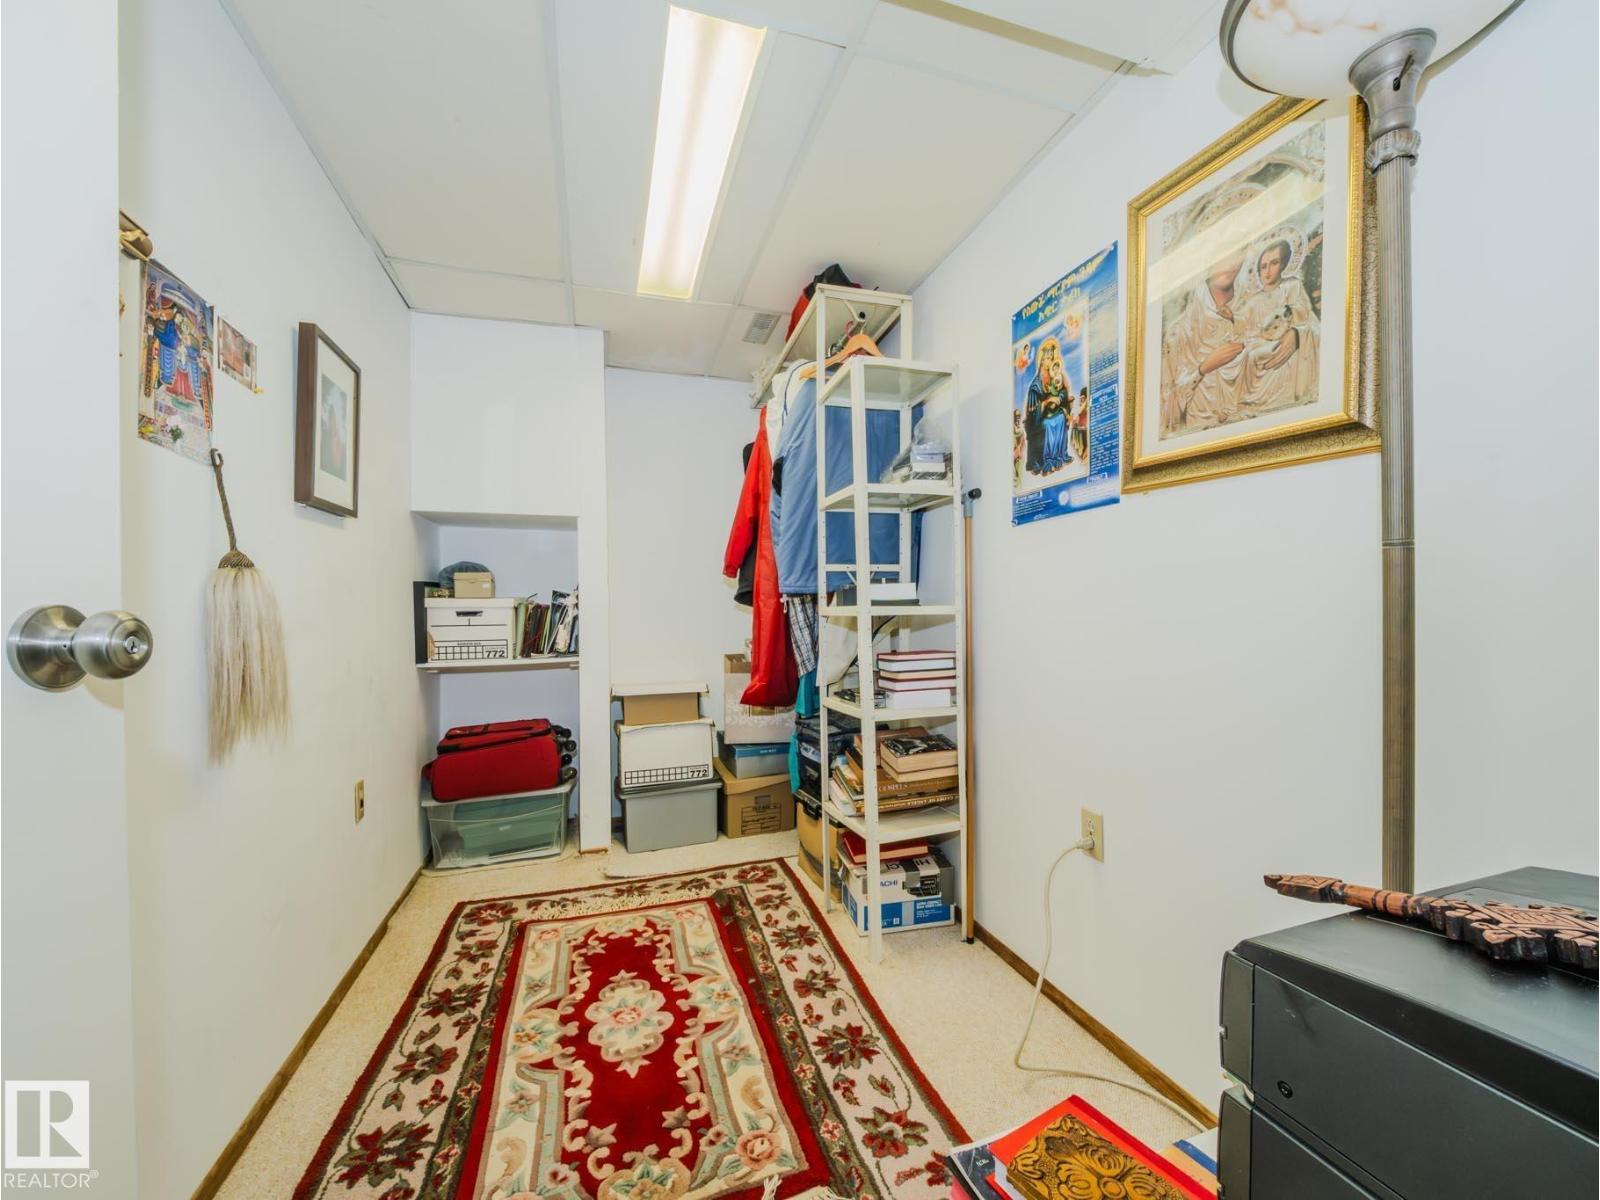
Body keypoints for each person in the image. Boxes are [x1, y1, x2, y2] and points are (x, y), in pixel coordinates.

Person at [1159, 250, 1251, 435]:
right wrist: (1203, 368)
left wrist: (1297, 335)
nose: (1232, 264)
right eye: (1223, 253)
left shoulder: (1252, 312)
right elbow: (1166, 413)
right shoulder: (1179, 332)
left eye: (1238, 253)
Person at [1237, 237, 1319, 413]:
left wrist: (1291, 320)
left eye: (1274, 263)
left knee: (1276, 352)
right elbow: (1243, 328)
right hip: (1257, 342)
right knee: (1249, 355)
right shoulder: (1253, 302)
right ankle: (1252, 400)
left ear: (1284, 264)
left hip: (1284, 339)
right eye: (1263, 266)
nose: (1267, 271)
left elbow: (1305, 315)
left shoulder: (1292, 286)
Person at [1028, 338, 1072, 473]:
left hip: (1053, 412)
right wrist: (1047, 402)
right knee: (1048, 425)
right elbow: (1032, 412)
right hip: (1040, 419)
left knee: (1061, 418)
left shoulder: (1055, 375)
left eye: (1052, 358)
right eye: (1048, 358)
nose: (1050, 361)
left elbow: (1063, 391)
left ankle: (1059, 455)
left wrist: (1059, 398)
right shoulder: (1035, 385)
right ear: (1041, 360)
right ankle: (1048, 459)